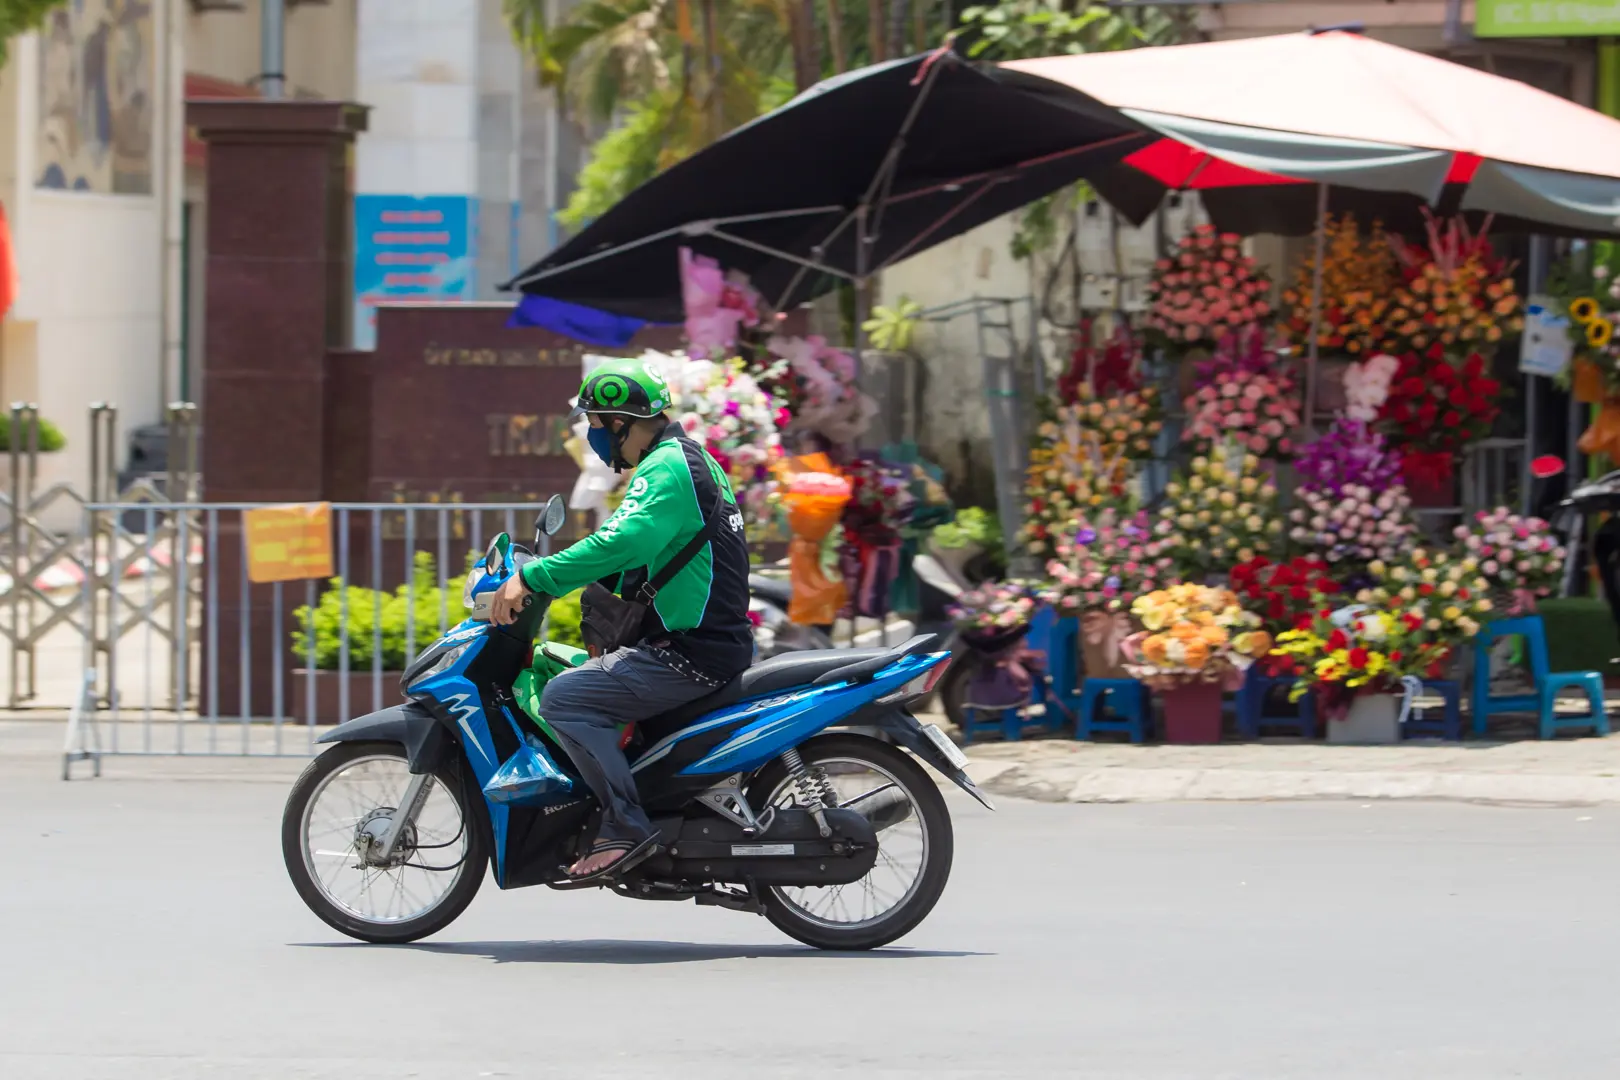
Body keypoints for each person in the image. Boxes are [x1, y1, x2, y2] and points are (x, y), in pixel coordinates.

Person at [490, 358, 754, 883]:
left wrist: (536, 578)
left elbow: (624, 541)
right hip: (700, 642)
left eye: (592, 422)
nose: (590, 435)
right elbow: (638, 565)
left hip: (689, 652)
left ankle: (625, 826)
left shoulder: (666, 468)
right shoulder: (688, 458)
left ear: (618, 422)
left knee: (566, 698)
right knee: (554, 665)